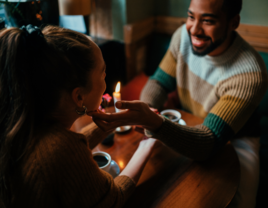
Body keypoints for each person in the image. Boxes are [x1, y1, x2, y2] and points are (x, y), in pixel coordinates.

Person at [91, 0, 268, 207]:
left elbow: (208, 142)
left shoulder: (250, 73)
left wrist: (155, 123)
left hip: (237, 138)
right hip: (189, 121)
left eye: (208, 21)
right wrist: (146, 108)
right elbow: (159, 81)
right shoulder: (182, 37)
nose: (194, 29)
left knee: (242, 201)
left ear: (233, 22)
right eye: (191, 17)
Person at [0, 25, 157, 208]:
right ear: (79, 96)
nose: (106, 79)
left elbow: (68, 152)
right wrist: (147, 145)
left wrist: (116, 120)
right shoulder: (62, 148)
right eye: (103, 73)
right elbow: (113, 199)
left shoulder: (25, 122)